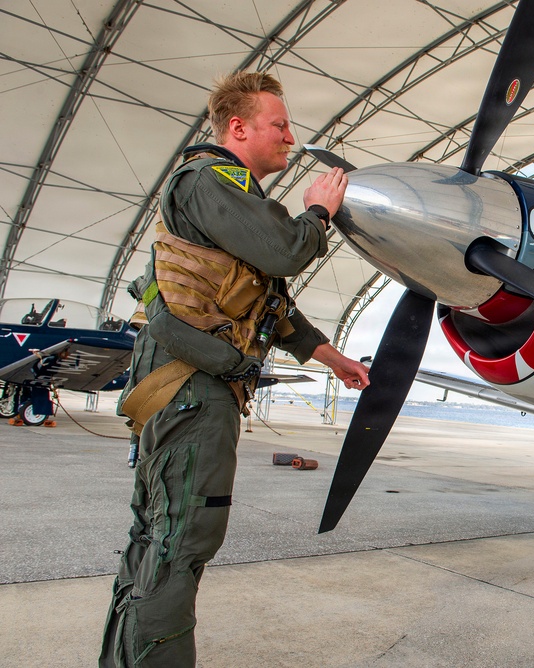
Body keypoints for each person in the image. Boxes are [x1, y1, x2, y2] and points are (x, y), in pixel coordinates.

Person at [99, 70, 370, 667]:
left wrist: (331, 357)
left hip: (187, 388)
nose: (291, 137)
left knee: (160, 538)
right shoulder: (210, 179)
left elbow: (266, 304)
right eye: (279, 124)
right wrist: (318, 213)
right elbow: (286, 252)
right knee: (182, 539)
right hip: (189, 389)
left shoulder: (226, 198)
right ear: (239, 127)